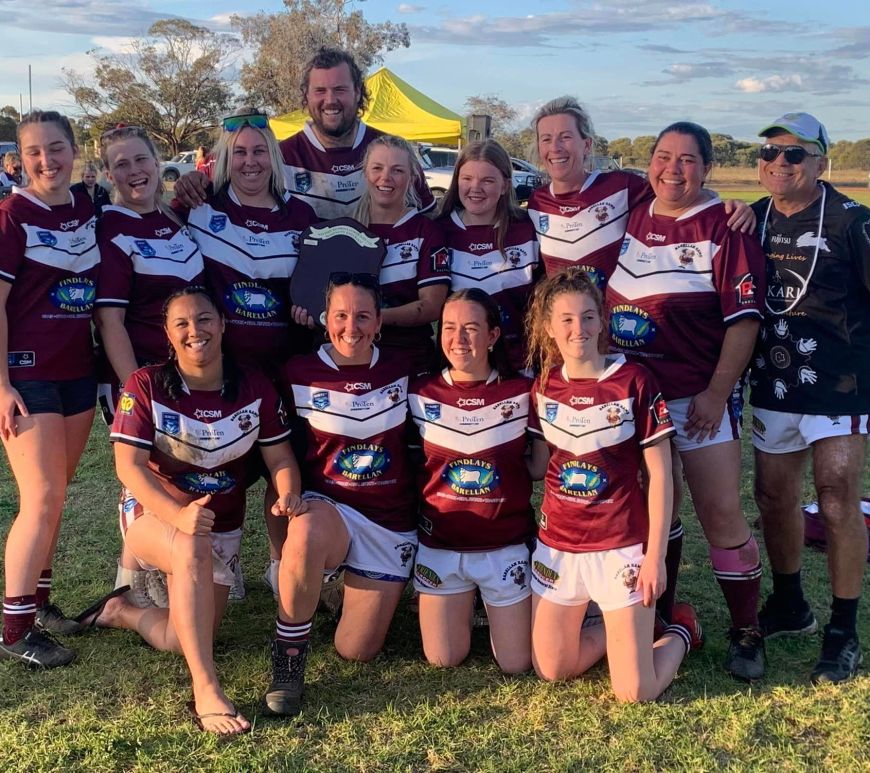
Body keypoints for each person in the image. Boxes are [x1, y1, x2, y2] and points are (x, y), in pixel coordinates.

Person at [93, 286, 305, 736]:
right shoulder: (145, 383)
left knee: (183, 637)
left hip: (219, 525)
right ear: (167, 334)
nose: (195, 331)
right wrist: (177, 514)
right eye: (182, 323)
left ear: (223, 324)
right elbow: (128, 467)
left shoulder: (253, 385)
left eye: (204, 319)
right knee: (190, 546)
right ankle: (206, 690)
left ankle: (121, 611)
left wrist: (288, 492)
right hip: (155, 514)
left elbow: (281, 459)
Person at [605, 122, 767, 681]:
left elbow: (744, 323)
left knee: (719, 511)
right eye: (663, 156)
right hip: (634, 398)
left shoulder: (726, 225)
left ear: (708, 168)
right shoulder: (633, 211)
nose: (672, 169)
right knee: (657, 509)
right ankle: (666, 616)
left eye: (688, 160)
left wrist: (716, 393)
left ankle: (747, 630)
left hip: (695, 396)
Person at [525, 268, 701, 701]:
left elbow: (661, 475)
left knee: (635, 691)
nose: (578, 329)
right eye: (566, 319)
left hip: (621, 547)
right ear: (549, 327)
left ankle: (681, 628)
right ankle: (620, 631)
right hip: (559, 547)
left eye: (588, 317)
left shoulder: (633, 381)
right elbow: (538, 466)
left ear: (603, 321)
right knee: (552, 669)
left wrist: (655, 557)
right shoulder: (543, 386)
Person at [749, 112, 869, 684]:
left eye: (794, 153)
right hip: (775, 379)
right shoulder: (750, 218)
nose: (779, 163)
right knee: (773, 497)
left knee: (837, 496)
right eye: (769, 152)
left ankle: (844, 630)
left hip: (839, 384)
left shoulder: (853, 221)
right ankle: (790, 602)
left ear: (822, 162)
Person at [179, 108, 318, 598]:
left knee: (284, 469)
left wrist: (314, 310)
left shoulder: (302, 216)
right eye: (239, 152)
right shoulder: (199, 208)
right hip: (221, 371)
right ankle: (219, 561)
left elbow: (318, 288)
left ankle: (280, 565)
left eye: (260, 151)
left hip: (284, 369)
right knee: (217, 470)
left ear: (274, 157)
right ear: (224, 158)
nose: (250, 161)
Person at [270, 273, 416, 716]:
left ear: (379, 323)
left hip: (389, 521)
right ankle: (288, 662)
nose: (351, 327)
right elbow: (277, 453)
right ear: (325, 318)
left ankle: (333, 589)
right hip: (329, 507)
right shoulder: (297, 371)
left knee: (356, 649)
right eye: (340, 316)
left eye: (363, 316)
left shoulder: (405, 369)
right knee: (306, 531)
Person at [0, 111, 100, 667]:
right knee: (40, 496)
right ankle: (15, 630)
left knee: (55, 495)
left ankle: (38, 606)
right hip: (26, 376)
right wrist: (1, 384)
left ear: (74, 150)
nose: (47, 160)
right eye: (34, 152)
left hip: (77, 373)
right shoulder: (12, 216)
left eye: (56, 148)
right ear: (19, 160)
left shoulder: (86, 206)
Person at [94, 125, 205, 607]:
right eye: (121, 164)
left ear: (158, 163)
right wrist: (133, 390)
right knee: (142, 475)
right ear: (108, 173)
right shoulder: (110, 226)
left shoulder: (175, 217)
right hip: (137, 374)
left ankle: (147, 572)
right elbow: (110, 321)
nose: (134, 171)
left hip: (184, 373)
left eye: (141, 160)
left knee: (175, 470)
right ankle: (132, 581)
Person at [408, 288, 534, 672]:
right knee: (443, 658)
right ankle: (468, 604)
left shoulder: (524, 393)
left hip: (504, 547)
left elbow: (547, 463)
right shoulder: (418, 393)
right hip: (441, 546)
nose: (458, 338)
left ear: (493, 335)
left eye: (471, 328)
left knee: (516, 663)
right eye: (449, 327)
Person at [173, 48, 434, 220]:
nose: (330, 100)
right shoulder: (280, 156)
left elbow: (432, 221)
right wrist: (195, 182)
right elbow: (227, 189)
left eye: (340, 89)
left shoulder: (394, 154)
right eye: (320, 91)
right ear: (306, 96)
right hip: (303, 287)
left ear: (358, 92)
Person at [527, 96, 754, 285]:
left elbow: (677, 191)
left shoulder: (622, 187)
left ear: (587, 145)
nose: (555, 147)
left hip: (611, 322)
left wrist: (729, 206)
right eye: (546, 139)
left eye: (565, 137)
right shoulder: (537, 202)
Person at [439, 140, 542, 373]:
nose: (475, 188)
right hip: (461, 365)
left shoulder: (527, 228)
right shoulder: (438, 231)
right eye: (467, 178)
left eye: (487, 180)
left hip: (519, 365)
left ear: (505, 185)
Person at [354, 134, 450, 375]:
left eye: (397, 170)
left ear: (412, 177)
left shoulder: (426, 232)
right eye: (377, 168)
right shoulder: (345, 229)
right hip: (352, 357)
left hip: (409, 359)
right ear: (365, 173)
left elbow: (432, 306)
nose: (385, 177)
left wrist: (373, 318)